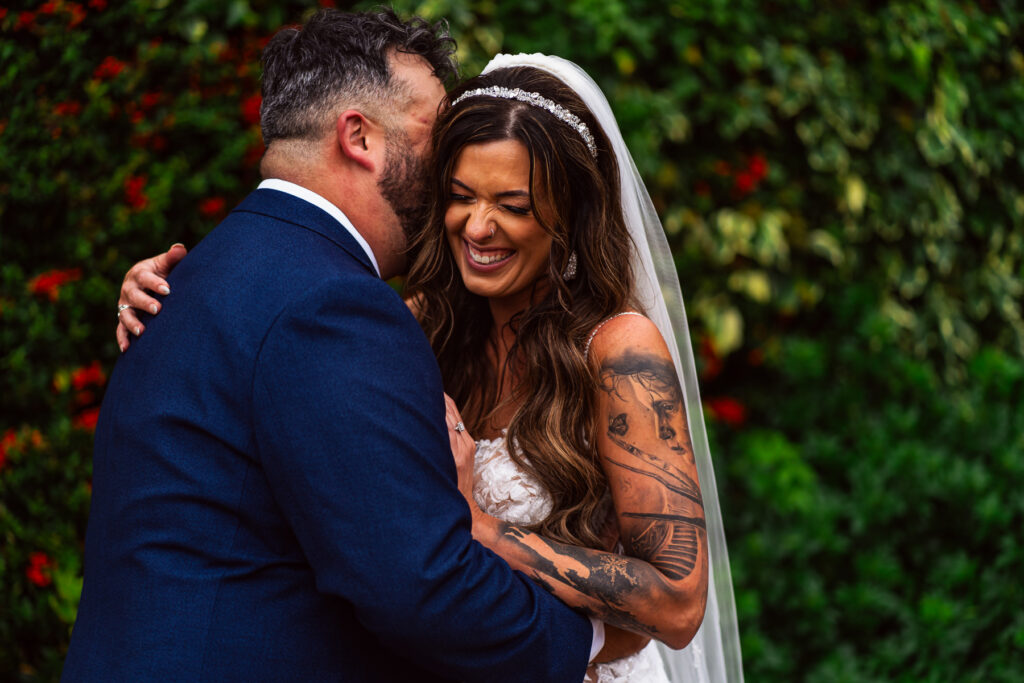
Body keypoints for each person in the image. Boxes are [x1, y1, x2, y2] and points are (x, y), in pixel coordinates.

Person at [119, 52, 745, 682]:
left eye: (514, 205)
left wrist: (481, 530)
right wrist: (184, 293)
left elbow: (678, 600)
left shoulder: (619, 352)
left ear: (571, 217)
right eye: (460, 196)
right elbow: (284, 332)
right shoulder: (416, 324)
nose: (478, 226)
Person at [64, 11, 610, 682]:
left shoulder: (196, 277)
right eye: (435, 136)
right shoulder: (333, 305)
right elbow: (416, 582)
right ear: (359, 137)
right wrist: (583, 645)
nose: (450, 170)